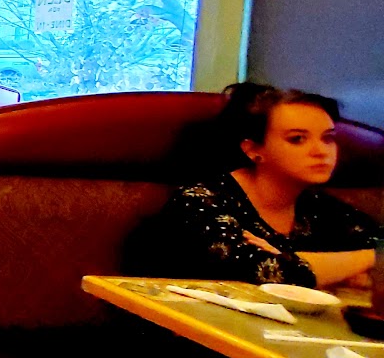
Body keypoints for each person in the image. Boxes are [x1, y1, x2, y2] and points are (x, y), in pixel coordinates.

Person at [131, 83, 378, 288]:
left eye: (328, 138)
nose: (321, 151)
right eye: (297, 139)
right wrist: (370, 257)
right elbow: (275, 274)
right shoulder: (200, 202)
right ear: (253, 150)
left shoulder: (320, 207)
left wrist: (294, 259)